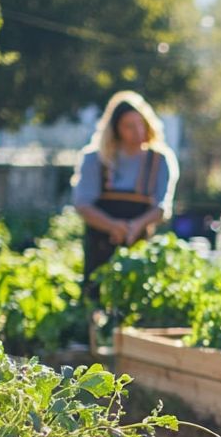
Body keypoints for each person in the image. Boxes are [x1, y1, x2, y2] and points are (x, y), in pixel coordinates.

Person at [72, 91, 179, 294]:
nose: (137, 131)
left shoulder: (159, 160)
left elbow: (162, 207)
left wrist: (134, 227)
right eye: (129, 126)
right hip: (100, 244)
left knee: (136, 295)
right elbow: (83, 204)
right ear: (116, 129)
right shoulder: (95, 159)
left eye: (141, 124)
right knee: (96, 295)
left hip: (139, 246)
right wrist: (113, 226)